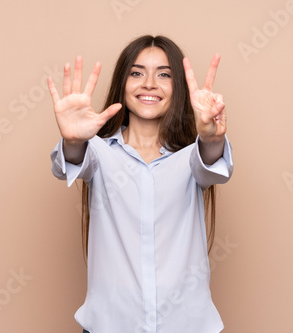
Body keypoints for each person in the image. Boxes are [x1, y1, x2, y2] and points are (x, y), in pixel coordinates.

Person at [48, 35, 233, 333]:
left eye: (164, 74)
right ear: (122, 83)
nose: (149, 83)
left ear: (179, 89)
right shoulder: (98, 152)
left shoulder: (190, 158)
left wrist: (212, 137)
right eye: (137, 73)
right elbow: (68, 162)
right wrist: (72, 140)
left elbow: (211, 161)